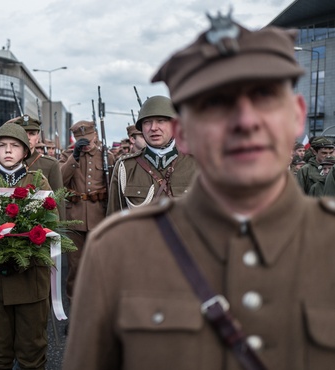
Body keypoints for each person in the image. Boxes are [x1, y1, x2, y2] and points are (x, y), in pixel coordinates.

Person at [63, 13, 335, 370]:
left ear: (297, 116)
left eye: (264, 98)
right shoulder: (112, 253)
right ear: (186, 133)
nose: (244, 121)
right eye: (215, 106)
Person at [0, 122, 52, 370]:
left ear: (25, 152)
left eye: (15, 146)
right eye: (2, 146)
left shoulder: (39, 183)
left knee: (32, 352)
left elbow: (52, 224)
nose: (8, 151)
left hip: (31, 278)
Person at [107, 95, 197, 214]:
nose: (153, 128)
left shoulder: (196, 163)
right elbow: (114, 219)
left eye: (161, 121)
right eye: (147, 122)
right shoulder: (126, 167)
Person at [59, 120, 114, 303]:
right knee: (76, 268)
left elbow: (113, 187)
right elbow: (59, 181)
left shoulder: (107, 156)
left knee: (100, 267)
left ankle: (99, 310)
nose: (86, 144)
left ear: (96, 135)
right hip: (74, 219)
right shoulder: (67, 155)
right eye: (81, 140)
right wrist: (73, 157)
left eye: (89, 139)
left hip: (99, 217)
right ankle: (76, 310)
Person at [7, 114, 65, 220]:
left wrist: (59, 231)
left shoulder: (50, 164)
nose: (28, 137)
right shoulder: (4, 163)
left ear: (37, 138)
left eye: (32, 134)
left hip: (40, 227)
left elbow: (58, 200)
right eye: (23, 133)